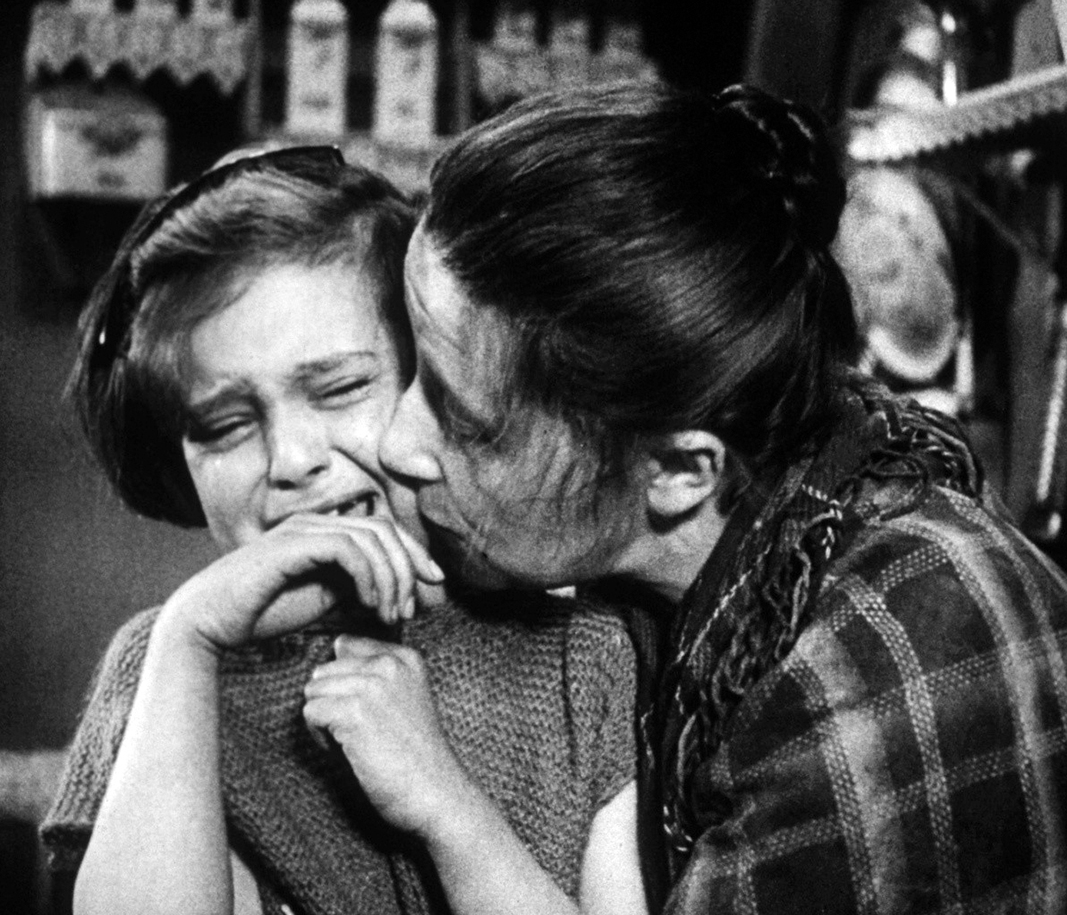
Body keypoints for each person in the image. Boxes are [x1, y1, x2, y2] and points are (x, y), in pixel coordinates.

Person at [376, 82, 1067, 914]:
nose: (395, 443)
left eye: (466, 422)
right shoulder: (805, 508)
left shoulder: (851, 709)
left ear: (680, 473)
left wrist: (449, 815)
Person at [41, 147, 646, 915]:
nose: (292, 461)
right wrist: (187, 640)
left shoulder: (583, 658)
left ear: (433, 383)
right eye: (225, 425)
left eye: (339, 388)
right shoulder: (167, 668)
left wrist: (445, 806)